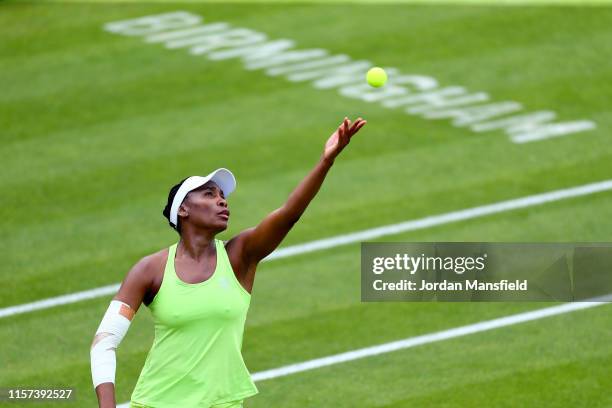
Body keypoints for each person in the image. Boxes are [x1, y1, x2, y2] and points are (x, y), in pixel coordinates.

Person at [90, 117, 367, 408]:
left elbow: (288, 215)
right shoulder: (149, 270)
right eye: (209, 194)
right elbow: (105, 342)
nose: (222, 201)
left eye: (223, 196)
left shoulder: (239, 257)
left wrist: (325, 162)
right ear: (183, 209)